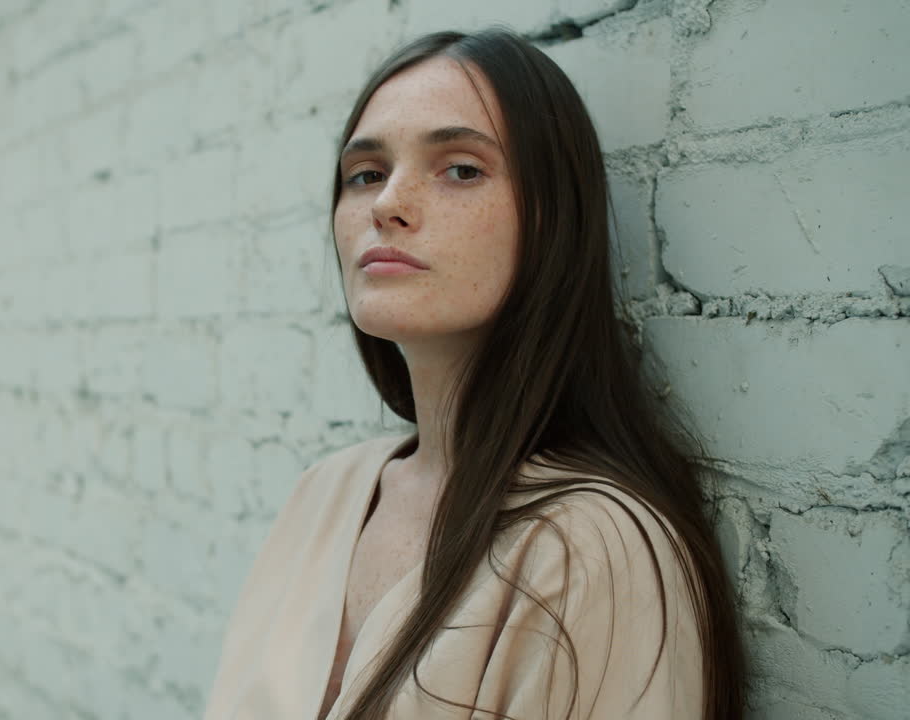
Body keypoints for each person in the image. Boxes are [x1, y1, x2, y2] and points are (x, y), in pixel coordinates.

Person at [202, 28, 745, 720]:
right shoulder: (325, 492)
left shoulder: (591, 550)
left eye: (460, 169)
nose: (386, 204)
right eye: (365, 174)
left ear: (551, 218)